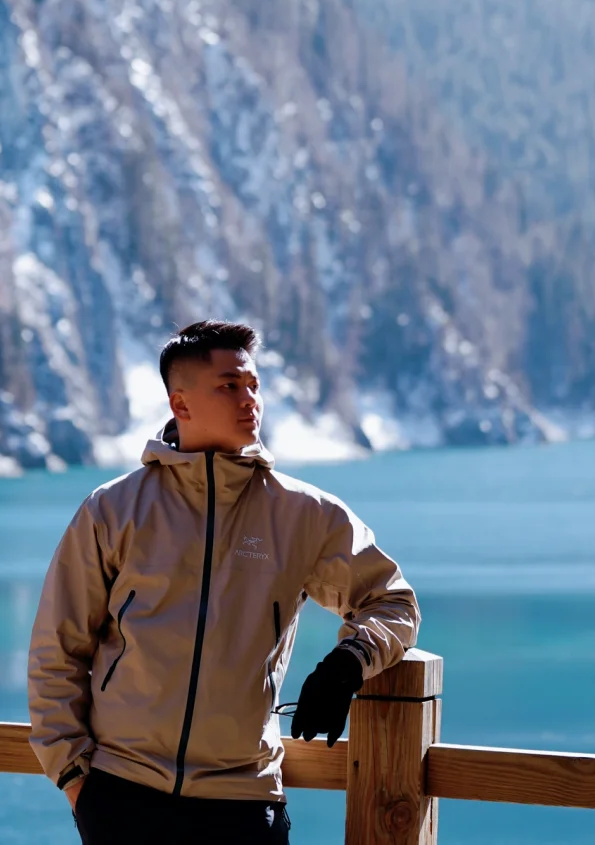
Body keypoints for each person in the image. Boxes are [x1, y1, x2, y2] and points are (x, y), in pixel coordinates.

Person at [28, 319, 420, 844]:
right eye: (230, 386)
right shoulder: (114, 510)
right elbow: (58, 647)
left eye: (254, 385)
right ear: (181, 404)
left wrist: (350, 662)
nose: (249, 400)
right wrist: (75, 777)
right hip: (122, 796)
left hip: (243, 803)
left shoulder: (303, 514)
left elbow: (393, 603)